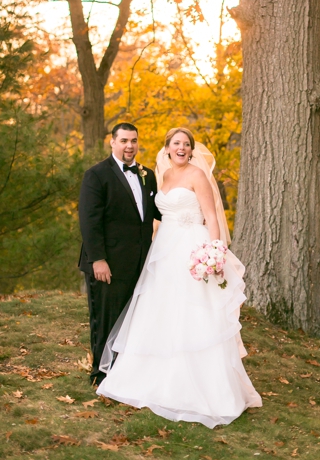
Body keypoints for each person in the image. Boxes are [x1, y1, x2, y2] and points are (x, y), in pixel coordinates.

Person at [96, 127, 262, 428]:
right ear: (167, 148)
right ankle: (152, 380)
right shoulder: (162, 176)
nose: (182, 148)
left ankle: (204, 388)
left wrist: (213, 253)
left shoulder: (198, 175)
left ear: (191, 149)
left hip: (193, 248)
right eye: (176, 144)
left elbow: (212, 217)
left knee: (194, 312)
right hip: (164, 249)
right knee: (160, 310)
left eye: (186, 144)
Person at [78, 122, 162, 387]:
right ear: (112, 142)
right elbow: (89, 221)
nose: (129, 146)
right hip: (109, 262)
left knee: (134, 318)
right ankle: (100, 374)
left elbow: (158, 212)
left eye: (134, 140)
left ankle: (127, 371)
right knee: (106, 317)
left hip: (141, 260)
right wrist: (98, 259)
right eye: (124, 140)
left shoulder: (147, 174)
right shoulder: (97, 175)